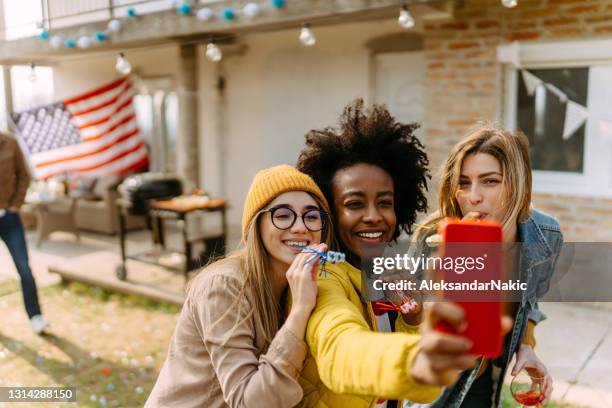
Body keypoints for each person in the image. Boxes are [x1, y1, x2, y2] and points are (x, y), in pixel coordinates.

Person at [295, 100, 500, 408]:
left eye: (385, 202)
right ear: (328, 211)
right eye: (354, 204)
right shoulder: (323, 277)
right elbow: (339, 349)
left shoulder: (376, 268)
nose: (374, 216)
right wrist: (415, 361)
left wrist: (412, 318)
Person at [146, 165, 334, 408]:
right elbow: (249, 403)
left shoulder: (300, 282)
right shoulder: (223, 287)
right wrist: (299, 311)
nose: (300, 227)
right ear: (257, 224)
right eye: (283, 215)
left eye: (311, 216)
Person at [407, 124, 561, 407]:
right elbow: (411, 321)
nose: (473, 196)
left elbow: (530, 301)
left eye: (490, 181)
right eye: (463, 183)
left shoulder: (545, 235)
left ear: (517, 184)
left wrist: (527, 347)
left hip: (483, 384)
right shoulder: (433, 236)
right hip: (431, 389)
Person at [0, 132, 48, 334]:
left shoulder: (9, 142)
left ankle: (35, 316)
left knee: (24, 268)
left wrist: (15, 205)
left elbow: (24, 175)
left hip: (9, 218)